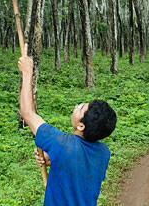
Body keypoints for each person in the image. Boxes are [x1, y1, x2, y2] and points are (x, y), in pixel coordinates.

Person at [18, 43, 117, 206]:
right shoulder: (103, 153)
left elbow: (27, 112)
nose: (76, 106)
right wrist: (51, 158)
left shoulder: (63, 145)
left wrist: (27, 72)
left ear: (81, 126)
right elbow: (77, 168)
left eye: (80, 108)